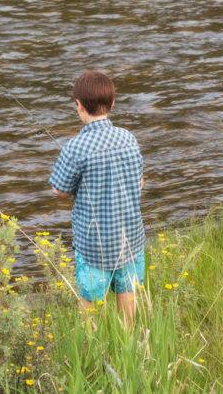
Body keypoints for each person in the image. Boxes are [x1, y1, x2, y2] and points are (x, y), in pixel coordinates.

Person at [49, 70, 145, 323]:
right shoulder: (129, 138)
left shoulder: (75, 147)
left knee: (90, 302)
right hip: (130, 237)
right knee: (127, 291)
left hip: (95, 244)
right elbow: (139, 182)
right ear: (112, 104)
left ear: (78, 105)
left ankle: (91, 349)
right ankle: (128, 341)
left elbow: (59, 190)